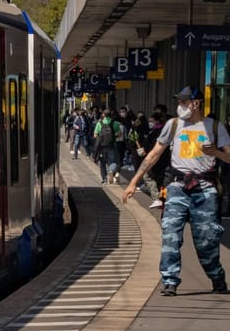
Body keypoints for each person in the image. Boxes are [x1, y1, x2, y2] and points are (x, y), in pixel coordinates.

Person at [123, 86, 230, 295]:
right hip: (177, 188)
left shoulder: (215, 128)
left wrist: (215, 152)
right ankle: (170, 280)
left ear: (195, 103)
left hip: (205, 190)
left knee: (206, 240)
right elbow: (154, 153)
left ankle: (216, 275)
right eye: (179, 102)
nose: (179, 106)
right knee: (170, 234)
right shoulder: (173, 125)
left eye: (183, 102)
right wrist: (134, 181)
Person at [92, 107, 122, 182]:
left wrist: (101, 137)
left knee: (102, 163)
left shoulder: (99, 123)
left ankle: (104, 179)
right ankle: (111, 171)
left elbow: (95, 135)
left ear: (103, 115)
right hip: (112, 145)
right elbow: (119, 135)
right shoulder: (115, 123)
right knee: (113, 161)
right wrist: (113, 136)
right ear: (110, 115)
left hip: (102, 146)